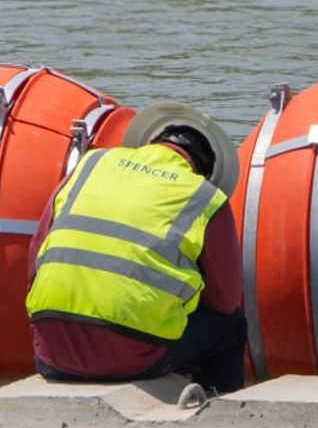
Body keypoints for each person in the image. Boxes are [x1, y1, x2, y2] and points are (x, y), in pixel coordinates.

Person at [24, 123, 247, 393]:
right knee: (230, 327)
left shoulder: (90, 164)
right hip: (130, 359)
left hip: (50, 350)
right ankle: (213, 416)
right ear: (205, 172)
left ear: (148, 144)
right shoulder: (205, 196)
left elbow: (37, 253)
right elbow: (225, 300)